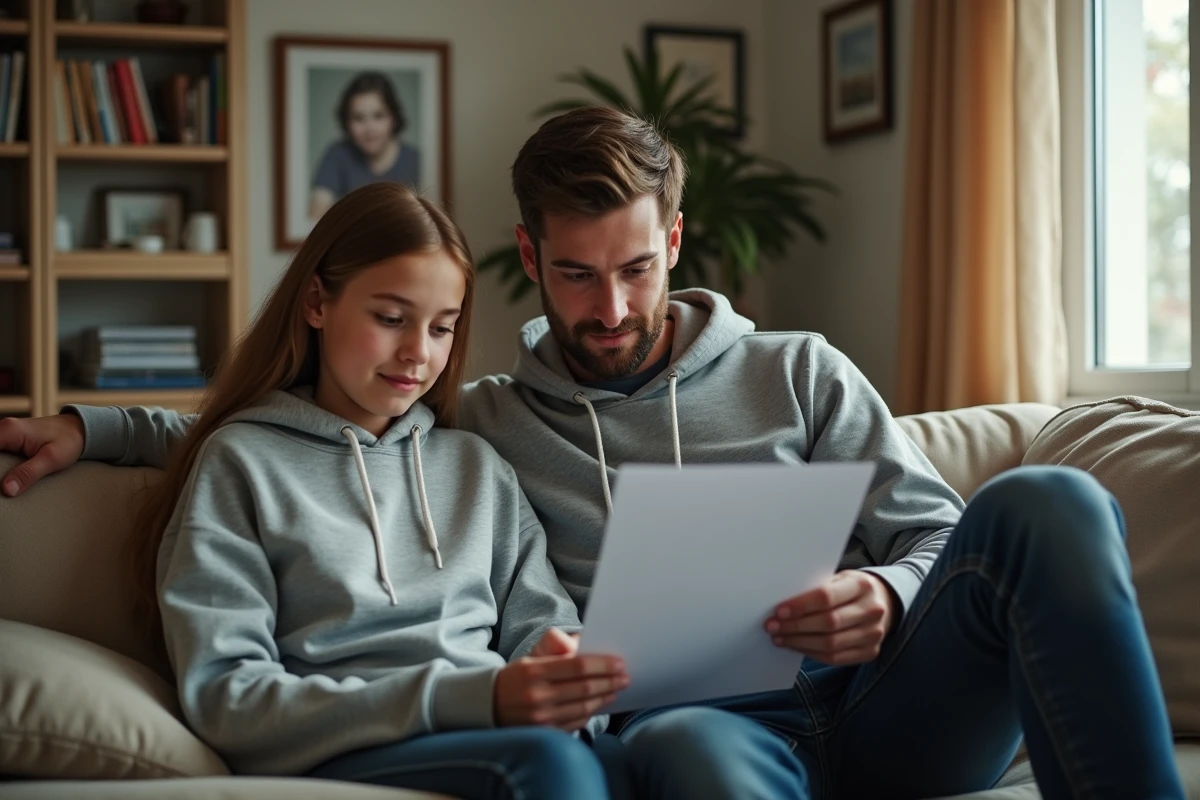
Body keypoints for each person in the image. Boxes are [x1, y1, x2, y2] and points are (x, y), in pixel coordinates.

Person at [0, 108, 1185, 800]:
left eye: (634, 267)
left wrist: (888, 588)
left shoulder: (802, 370)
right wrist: (94, 424)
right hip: (705, 729)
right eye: (575, 273)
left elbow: (935, 529)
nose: (608, 304)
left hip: (892, 697)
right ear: (529, 253)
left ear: (673, 239)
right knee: (676, 752)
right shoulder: (490, 420)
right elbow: (310, 427)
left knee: (1050, 497)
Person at [102, 181, 625, 800]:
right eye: (391, 318)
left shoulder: (476, 467)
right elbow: (227, 697)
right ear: (317, 302)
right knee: (551, 768)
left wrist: (572, 693)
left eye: (441, 328)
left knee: (642, 760)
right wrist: (474, 699)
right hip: (345, 744)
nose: (416, 353)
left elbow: (544, 624)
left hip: (502, 731)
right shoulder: (241, 462)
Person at [309, 71, 421, 223]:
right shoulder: (337, 154)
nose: (369, 129)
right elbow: (316, 215)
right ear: (347, 123)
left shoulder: (416, 160)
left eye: (378, 116)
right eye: (358, 118)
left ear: (394, 118)